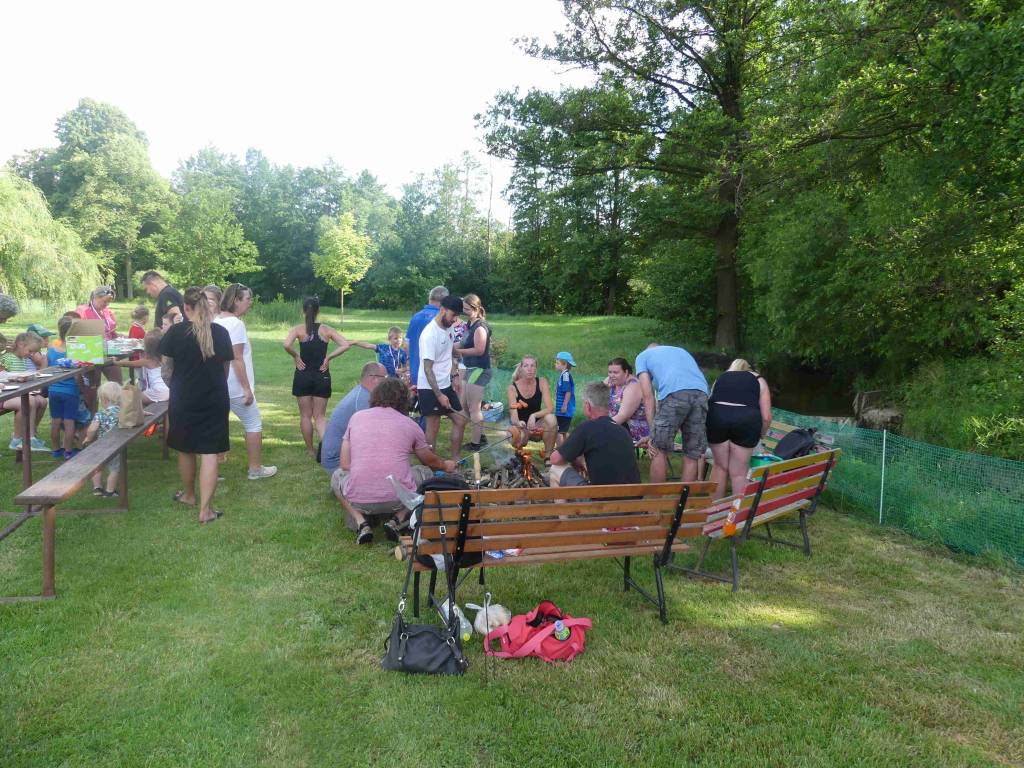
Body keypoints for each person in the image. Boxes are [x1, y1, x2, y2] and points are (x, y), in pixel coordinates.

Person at [334, 377, 456, 544]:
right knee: (426, 473)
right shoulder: (410, 424)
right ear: (404, 400)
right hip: (398, 500)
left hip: (359, 500)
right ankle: (397, 519)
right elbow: (429, 461)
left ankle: (361, 522)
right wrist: (446, 465)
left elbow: (344, 464)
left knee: (337, 476)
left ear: (376, 395)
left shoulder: (356, 418)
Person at [159, 286, 234, 524]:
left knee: (185, 447)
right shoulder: (220, 333)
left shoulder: (175, 332)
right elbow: (225, 370)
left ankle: (189, 495)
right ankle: (206, 510)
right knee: (210, 452)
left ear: (186, 308)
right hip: (214, 397)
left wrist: (178, 387)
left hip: (183, 398)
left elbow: (166, 371)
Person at [284, 297, 365, 457]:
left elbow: (286, 344)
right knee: (320, 416)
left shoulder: (298, 329)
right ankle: (327, 450)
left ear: (303, 311)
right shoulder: (326, 329)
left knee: (305, 415)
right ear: (318, 311)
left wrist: (296, 355)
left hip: (302, 375)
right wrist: (328, 358)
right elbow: (345, 345)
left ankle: (310, 450)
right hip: (322, 375)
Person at [216, 284, 277, 480]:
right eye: (247, 299)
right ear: (236, 300)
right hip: (235, 386)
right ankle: (255, 469)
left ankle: (212, 472)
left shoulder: (215, 321)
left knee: (217, 426)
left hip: (217, 385)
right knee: (253, 424)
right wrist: (246, 389)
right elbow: (237, 357)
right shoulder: (236, 324)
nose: (250, 303)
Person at [636, 343, 709, 483]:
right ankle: (685, 496)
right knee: (692, 453)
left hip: (675, 393)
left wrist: (652, 433)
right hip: (701, 394)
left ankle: (656, 496)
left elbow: (647, 396)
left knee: (658, 449)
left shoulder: (643, 356)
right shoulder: (680, 351)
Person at [549, 381, 641, 487]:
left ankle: (560, 499)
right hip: (633, 495)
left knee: (556, 469)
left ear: (588, 406)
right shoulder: (623, 431)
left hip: (600, 496)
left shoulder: (586, 428)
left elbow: (555, 459)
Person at [707, 359, 773, 499]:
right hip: (746, 421)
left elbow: (711, 401)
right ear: (749, 369)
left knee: (719, 467)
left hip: (717, 418)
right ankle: (738, 511)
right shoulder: (759, 380)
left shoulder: (721, 377)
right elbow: (766, 417)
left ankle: (714, 509)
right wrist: (761, 434)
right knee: (739, 473)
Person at [417, 294, 469, 459]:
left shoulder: (448, 327)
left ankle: (455, 460)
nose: (455, 320)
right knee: (433, 426)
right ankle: (431, 465)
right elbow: (427, 369)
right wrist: (439, 395)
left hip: (445, 383)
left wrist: (455, 372)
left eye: (457, 316)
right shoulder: (429, 334)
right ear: (442, 310)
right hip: (429, 387)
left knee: (461, 420)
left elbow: (449, 349)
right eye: (453, 315)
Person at [320, 362, 388, 473]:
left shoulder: (362, 393)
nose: (387, 382)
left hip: (335, 458)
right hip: (337, 463)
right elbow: (372, 437)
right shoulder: (364, 400)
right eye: (385, 377)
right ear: (374, 379)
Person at [456, 293, 492, 451]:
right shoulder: (469, 324)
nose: (464, 312)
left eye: (467, 309)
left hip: (480, 370)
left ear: (476, 309)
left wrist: (458, 352)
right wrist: (446, 346)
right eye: (463, 309)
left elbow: (479, 350)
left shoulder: (480, 328)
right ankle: (481, 436)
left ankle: (476, 443)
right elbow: (461, 343)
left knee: (473, 408)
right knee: (464, 404)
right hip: (469, 368)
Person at [1, 333, 48, 452]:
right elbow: (3, 377)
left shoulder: (22, 359)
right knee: (28, 401)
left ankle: (31, 433)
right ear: (21, 345)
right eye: (30, 351)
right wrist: (15, 377)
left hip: (15, 393)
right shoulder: (6, 358)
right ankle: (22, 438)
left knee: (42, 401)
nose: (31, 355)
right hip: (5, 396)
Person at [507, 354, 558, 457]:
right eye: (526, 366)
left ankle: (548, 457)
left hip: (537, 426)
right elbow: (514, 417)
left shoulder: (542, 382)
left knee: (551, 418)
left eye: (532, 365)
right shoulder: (512, 388)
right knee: (513, 434)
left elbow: (550, 408)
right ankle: (518, 456)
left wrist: (534, 416)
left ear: (536, 368)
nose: (529, 369)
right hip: (522, 427)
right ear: (521, 368)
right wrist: (519, 423)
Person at [47, 315, 83, 460]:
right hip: (70, 390)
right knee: (69, 421)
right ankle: (68, 451)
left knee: (55, 420)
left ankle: (56, 449)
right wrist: (82, 387)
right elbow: (78, 374)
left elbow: (47, 365)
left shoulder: (51, 347)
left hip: (53, 389)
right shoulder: (74, 350)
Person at [406, 285, 448, 402]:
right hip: (435, 375)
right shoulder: (440, 318)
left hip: (416, 371)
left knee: (421, 405)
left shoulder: (416, 316)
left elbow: (406, 345)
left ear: (430, 298)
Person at [76, 285, 123, 384]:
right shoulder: (83, 311)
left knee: (117, 382)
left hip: (108, 351)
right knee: (93, 385)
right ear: (96, 297)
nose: (107, 304)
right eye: (105, 301)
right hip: (90, 353)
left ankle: (117, 393)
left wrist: (119, 337)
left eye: (109, 302)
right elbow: (77, 333)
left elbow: (112, 331)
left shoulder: (107, 311)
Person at [84, 381, 122, 497]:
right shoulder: (122, 412)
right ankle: (110, 491)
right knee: (114, 469)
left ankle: (97, 488)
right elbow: (133, 416)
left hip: (101, 445)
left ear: (103, 399)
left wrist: (88, 438)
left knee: (98, 466)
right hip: (115, 446)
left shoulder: (100, 413)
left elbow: (92, 429)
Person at [116, 330, 169, 404]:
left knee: (129, 395)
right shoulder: (163, 358)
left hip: (157, 392)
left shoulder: (147, 361)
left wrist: (116, 362)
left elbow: (128, 364)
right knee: (137, 392)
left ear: (147, 348)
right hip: (167, 390)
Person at [605, 357, 649, 444]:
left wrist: (600, 426)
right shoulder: (611, 381)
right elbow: (596, 397)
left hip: (634, 431)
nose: (611, 375)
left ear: (626, 372)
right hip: (616, 425)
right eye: (610, 372)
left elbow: (623, 416)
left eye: (616, 372)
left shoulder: (633, 386)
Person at [553, 351, 576, 446]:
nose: (555, 364)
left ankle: (561, 451)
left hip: (564, 410)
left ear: (564, 364)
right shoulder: (563, 375)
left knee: (559, 431)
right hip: (562, 410)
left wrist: (565, 405)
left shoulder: (565, 376)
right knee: (563, 431)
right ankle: (568, 449)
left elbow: (568, 391)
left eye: (557, 363)